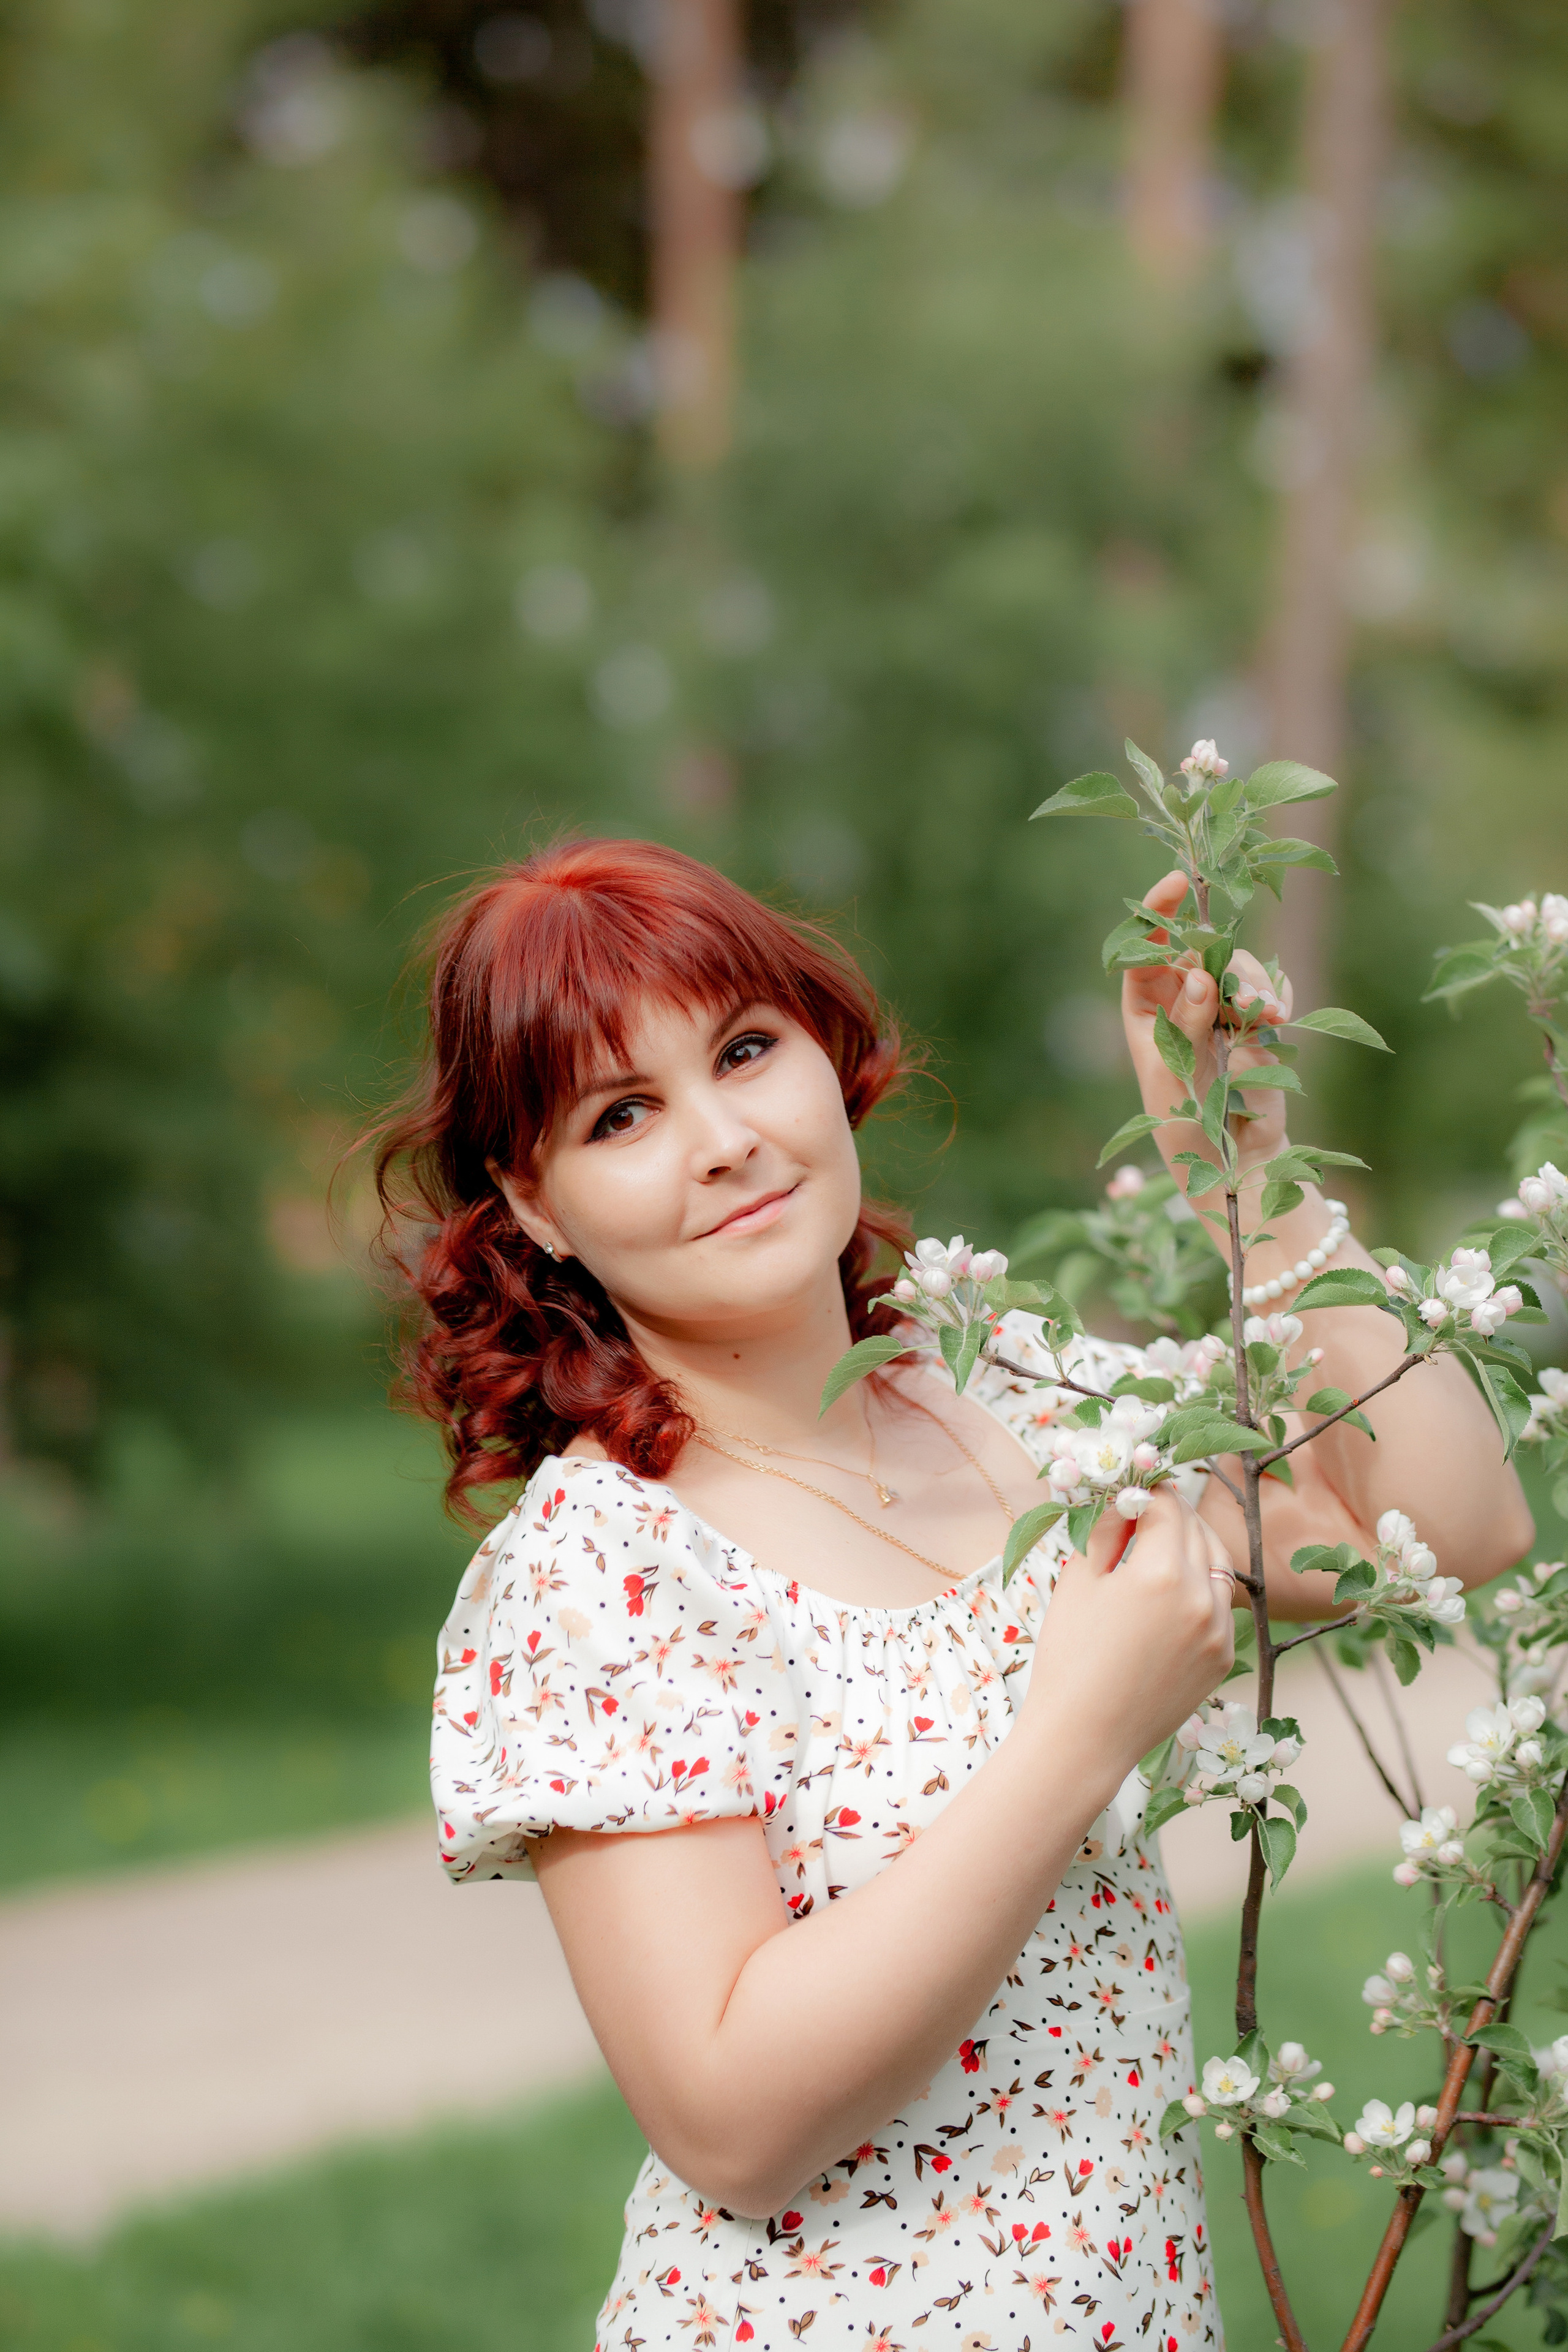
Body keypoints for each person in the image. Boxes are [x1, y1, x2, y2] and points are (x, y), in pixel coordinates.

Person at [377, 839, 1531, 2351]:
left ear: (824, 1056)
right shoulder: (604, 1571)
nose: (723, 1139)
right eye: (623, 1114)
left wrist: (1240, 1172)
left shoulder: (1020, 1400)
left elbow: (1441, 1524)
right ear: (533, 1203)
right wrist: (1078, 1734)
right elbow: (727, 2120)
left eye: (743, 1050)